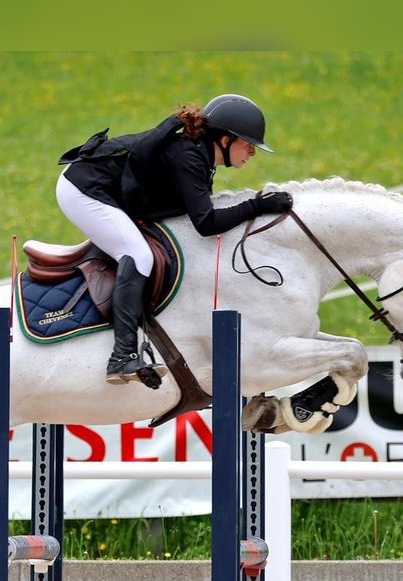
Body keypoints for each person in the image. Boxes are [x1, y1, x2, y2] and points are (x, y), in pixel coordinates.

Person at [57, 93, 292, 388]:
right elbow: (206, 224)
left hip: (105, 187)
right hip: (83, 189)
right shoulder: (190, 158)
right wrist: (258, 206)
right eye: (248, 145)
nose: (252, 153)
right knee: (137, 254)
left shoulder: (202, 157)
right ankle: (122, 355)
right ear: (224, 140)